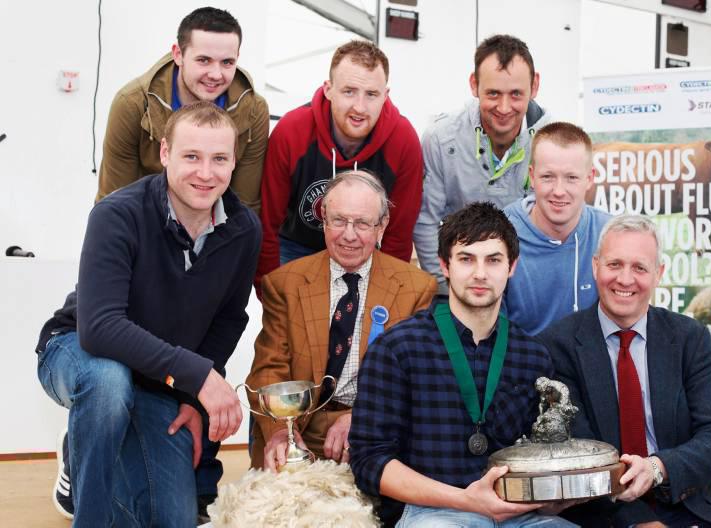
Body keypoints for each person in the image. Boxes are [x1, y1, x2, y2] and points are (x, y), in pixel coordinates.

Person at [36, 102, 261, 526]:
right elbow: (100, 328)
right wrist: (199, 378)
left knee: (171, 519)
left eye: (219, 159)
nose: (205, 172)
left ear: (235, 162)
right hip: (75, 350)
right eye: (191, 156)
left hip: (158, 380)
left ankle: (92, 442)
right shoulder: (117, 214)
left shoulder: (244, 229)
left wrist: (191, 399)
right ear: (164, 154)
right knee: (107, 384)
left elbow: (230, 320)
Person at [350, 202, 576, 527]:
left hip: (519, 514)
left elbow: (541, 453)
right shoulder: (397, 348)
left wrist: (556, 497)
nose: (480, 274)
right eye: (466, 259)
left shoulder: (533, 356)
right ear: (445, 265)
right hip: (431, 512)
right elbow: (369, 460)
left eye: (493, 260)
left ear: (512, 266)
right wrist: (466, 500)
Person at [539, 215, 711, 528]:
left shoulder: (690, 338)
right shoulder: (559, 345)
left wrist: (658, 467)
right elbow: (576, 454)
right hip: (603, 510)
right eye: (614, 264)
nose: (625, 279)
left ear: (658, 274)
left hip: (684, 498)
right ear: (595, 266)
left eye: (639, 267)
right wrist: (640, 522)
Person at [247, 170, 436, 471]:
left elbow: (416, 381)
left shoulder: (416, 289)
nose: (349, 235)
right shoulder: (284, 283)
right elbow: (268, 369)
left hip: (375, 434)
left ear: (382, 225)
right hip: (300, 430)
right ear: (323, 217)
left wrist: (362, 418)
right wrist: (282, 432)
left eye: (362, 223)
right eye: (339, 220)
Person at [255, 40, 422, 295]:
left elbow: (398, 237)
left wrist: (384, 300)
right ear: (328, 89)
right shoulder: (292, 131)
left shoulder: (403, 141)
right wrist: (269, 292)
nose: (359, 107)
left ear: (386, 95)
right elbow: (267, 223)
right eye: (349, 91)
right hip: (297, 245)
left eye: (371, 94)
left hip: (364, 251)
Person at [414, 34, 551, 292]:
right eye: (493, 93)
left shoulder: (553, 144)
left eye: (516, 94)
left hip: (527, 286)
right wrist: (447, 291)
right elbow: (426, 222)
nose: (504, 107)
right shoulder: (441, 139)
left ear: (535, 86)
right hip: (460, 286)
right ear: (474, 84)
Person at [98, 6, 268, 212]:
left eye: (227, 62)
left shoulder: (254, 110)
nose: (216, 74)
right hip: (146, 223)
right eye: (204, 60)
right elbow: (114, 199)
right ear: (178, 54)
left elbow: (244, 205)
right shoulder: (133, 104)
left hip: (214, 229)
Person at [503, 122, 610, 335]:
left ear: (589, 179)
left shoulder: (610, 235)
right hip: (522, 363)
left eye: (571, 178)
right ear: (532, 177)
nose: (559, 191)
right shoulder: (499, 235)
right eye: (548, 177)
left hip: (588, 364)